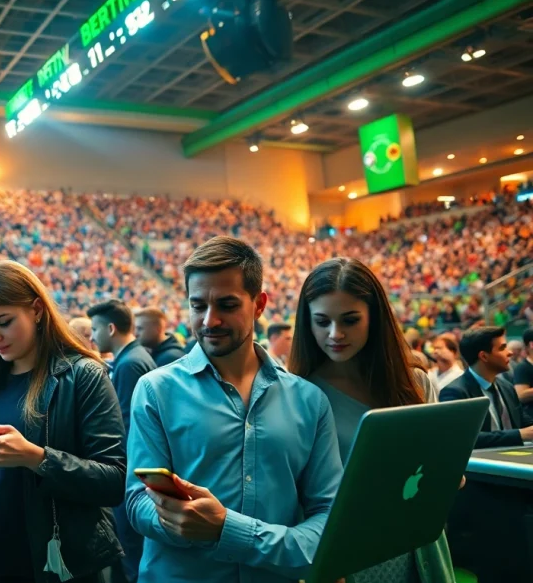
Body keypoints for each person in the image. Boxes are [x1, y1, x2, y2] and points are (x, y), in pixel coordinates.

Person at [125, 237, 343, 583]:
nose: (210, 321)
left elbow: (328, 517)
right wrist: (178, 521)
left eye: (227, 305)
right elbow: (137, 501)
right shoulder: (155, 390)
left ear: (259, 304)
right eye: (198, 306)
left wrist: (227, 530)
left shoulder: (309, 400)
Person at [0, 260, 125, 583]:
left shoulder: (83, 376)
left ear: (36, 309)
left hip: (49, 565)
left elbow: (114, 480)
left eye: (3, 322)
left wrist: (36, 458)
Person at [287, 258, 454, 583]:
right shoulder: (298, 395)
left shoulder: (415, 383)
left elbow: (431, 471)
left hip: (420, 548)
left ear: (374, 318)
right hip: (346, 555)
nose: (335, 334)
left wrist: (445, 475)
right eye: (322, 321)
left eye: (350, 320)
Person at [88, 299, 155, 583]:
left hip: (130, 474)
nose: (91, 337)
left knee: (130, 558)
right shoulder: (134, 358)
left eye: (95, 329)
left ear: (111, 329)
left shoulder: (129, 364)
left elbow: (125, 428)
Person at [440, 327, 533, 448]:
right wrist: (518, 434)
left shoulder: (507, 387)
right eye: (502, 348)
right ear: (484, 356)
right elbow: (463, 437)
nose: (509, 352)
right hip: (480, 465)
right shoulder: (455, 393)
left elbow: (523, 421)